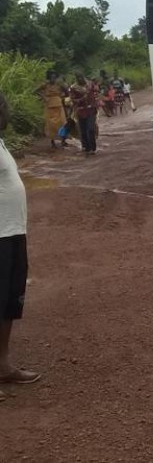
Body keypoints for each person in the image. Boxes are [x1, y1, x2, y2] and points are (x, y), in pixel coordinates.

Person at [0, 89, 41, 401]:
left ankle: (2, 365)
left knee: (10, 302)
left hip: (13, 232)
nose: (7, 109)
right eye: (4, 105)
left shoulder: (1, 142)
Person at [70, 74, 99, 155]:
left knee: (90, 129)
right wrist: (82, 99)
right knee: (83, 130)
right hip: (81, 110)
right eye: (78, 78)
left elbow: (96, 93)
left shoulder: (90, 84)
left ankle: (93, 148)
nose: (80, 79)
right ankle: (86, 147)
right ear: (76, 79)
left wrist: (96, 103)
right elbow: (73, 100)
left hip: (91, 110)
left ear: (83, 77)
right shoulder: (73, 87)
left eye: (81, 77)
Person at [37, 70, 65, 148]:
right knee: (50, 124)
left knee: (62, 122)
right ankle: (52, 141)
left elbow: (67, 91)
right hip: (49, 105)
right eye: (51, 78)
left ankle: (63, 140)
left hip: (58, 105)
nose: (53, 79)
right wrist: (43, 97)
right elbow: (35, 91)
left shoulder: (59, 84)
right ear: (48, 78)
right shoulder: (45, 85)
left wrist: (62, 95)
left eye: (54, 77)